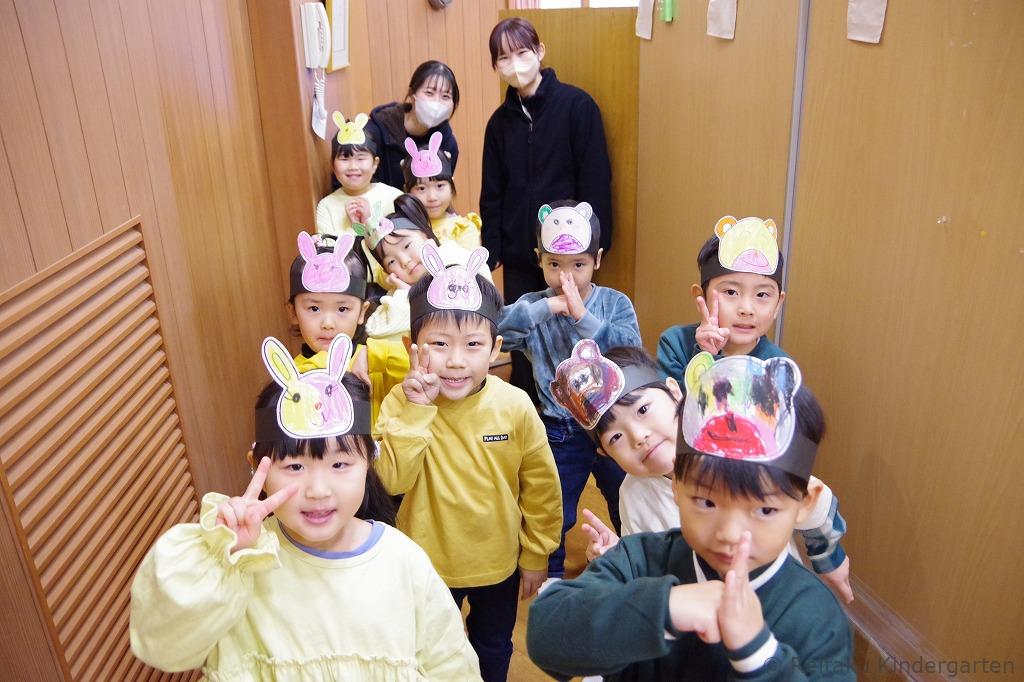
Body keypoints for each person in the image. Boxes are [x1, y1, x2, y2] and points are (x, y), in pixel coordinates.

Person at [130, 336, 481, 680]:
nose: (318, 491)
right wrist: (223, 555)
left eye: (340, 465)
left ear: (368, 464)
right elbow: (163, 649)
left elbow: (451, 666)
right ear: (257, 466)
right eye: (295, 466)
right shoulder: (242, 562)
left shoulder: (404, 561)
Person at [528, 353, 854, 680]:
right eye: (707, 502)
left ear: (803, 503)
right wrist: (667, 608)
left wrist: (758, 654)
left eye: (764, 510)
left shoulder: (818, 617)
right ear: (677, 489)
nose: (730, 533)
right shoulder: (640, 562)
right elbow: (546, 634)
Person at [375, 245, 562, 682]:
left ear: (495, 348)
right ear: (411, 348)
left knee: (492, 646)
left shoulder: (515, 406)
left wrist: (537, 552)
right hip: (424, 565)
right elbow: (389, 480)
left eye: (473, 344)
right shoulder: (401, 402)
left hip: (497, 562)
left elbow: (541, 487)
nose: (456, 360)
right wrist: (417, 411)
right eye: (439, 344)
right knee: (426, 652)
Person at [553, 343, 853, 603]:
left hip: (778, 598)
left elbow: (815, 501)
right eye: (616, 437)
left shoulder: (732, 442)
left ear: (675, 392)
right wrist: (620, 557)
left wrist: (829, 559)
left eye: (643, 410)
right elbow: (649, 565)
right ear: (604, 453)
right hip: (702, 620)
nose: (638, 437)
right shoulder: (632, 495)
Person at [498, 200, 639, 584]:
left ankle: (633, 564)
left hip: (613, 423)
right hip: (560, 428)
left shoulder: (614, 303)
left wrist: (582, 317)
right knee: (554, 507)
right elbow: (496, 331)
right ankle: (553, 577)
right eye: (554, 265)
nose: (567, 276)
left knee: (626, 496)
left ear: (597, 259)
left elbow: (630, 352)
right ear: (539, 260)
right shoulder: (534, 305)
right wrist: (547, 308)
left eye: (578, 264)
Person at [481, 17, 612, 402]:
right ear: (496, 66)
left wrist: (597, 241)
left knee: (574, 330)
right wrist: (492, 247)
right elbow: (492, 191)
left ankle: (583, 408)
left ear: (540, 52)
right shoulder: (498, 124)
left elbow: (595, 177)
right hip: (522, 252)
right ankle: (528, 410)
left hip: (570, 250)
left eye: (522, 52)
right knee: (525, 334)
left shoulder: (577, 106)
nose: (515, 64)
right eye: (504, 58)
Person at [287, 231, 406, 433]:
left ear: (362, 312)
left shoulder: (376, 360)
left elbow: (426, 367)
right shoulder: (291, 376)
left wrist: (373, 354)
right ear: (293, 313)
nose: (328, 323)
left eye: (342, 309)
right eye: (314, 308)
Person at [658, 215, 788, 381]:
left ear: (777, 304)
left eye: (762, 294)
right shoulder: (676, 344)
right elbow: (669, 398)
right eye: (731, 292)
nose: (746, 309)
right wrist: (705, 355)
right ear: (701, 296)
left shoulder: (779, 368)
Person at [359, 194, 491, 344]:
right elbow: (376, 332)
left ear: (425, 234)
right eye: (391, 262)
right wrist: (406, 293)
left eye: (407, 245)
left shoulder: (458, 260)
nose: (405, 261)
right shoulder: (400, 292)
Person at [315, 112, 402, 287]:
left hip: (393, 282)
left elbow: (402, 245)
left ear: (375, 164)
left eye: (361, 158)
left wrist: (370, 222)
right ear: (333, 165)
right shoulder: (326, 206)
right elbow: (328, 256)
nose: (353, 166)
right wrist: (353, 228)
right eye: (345, 158)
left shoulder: (394, 197)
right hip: (348, 286)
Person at [366, 60, 460, 190]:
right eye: (429, 93)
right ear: (412, 94)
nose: (437, 103)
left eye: (445, 96)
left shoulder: (447, 143)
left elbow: (441, 193)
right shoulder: (376, 132)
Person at [402, 133, 482, 250]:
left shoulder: (463, 228)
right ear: (407, 192)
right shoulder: (402, 231)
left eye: (439, 186)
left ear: (451, 186)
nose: (432, 197)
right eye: (421, 188)